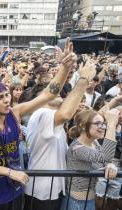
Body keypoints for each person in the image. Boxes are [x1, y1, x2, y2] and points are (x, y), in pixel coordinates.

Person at [0, 38, 77, 210]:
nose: (6, 100)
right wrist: (9, 172)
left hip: (15, 188)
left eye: (6, 95)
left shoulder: (15, 112)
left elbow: (47, 95)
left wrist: (65, 67)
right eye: (0, 97)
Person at [23, 59, 96, 210]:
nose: (58, 94)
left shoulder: (50, 117)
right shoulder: (41, 114)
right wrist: (83, 80)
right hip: (42, 192)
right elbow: (64, 115)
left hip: (53, 189)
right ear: (40, 99)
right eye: (51, 93)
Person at [61, 109, 119, 210]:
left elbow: (105, 160)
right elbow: (105, 156)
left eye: (103, 123)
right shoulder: (77, 148)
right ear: (83, 126)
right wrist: (111, 125)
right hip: (76, 204)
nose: (103, 127)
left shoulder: (94, 143)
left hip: (89, 201)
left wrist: (110, 165)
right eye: (97, 123)